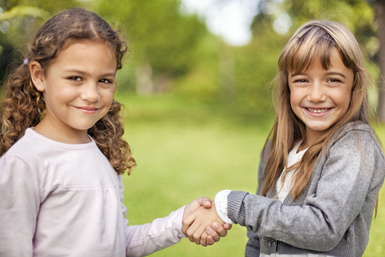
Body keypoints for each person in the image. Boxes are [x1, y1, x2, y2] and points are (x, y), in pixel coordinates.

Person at [0, 8, 230, 257]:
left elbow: (119, 242)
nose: (91, 94)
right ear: (39, 76)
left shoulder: (102, 153)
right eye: (76, 77)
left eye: (104, 80)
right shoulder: (23, 163)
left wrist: (180, 221)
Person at [183, 20, 385, 256]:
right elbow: (259, 238)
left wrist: (234, 205)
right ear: (288, 86)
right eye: (302, 80)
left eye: (332, 79)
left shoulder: (355, 146)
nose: (316, 95)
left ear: (354, 85)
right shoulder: (276, 147)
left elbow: (323, 228)